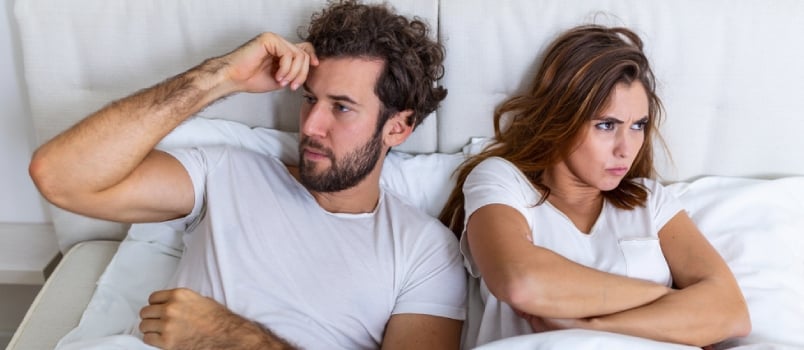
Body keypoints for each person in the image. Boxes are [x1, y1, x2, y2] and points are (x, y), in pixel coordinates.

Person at [29, 1, 466, 349]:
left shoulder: (424, 251)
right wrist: (219, 79)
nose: (311, 126)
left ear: (398, 126)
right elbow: (59, 176)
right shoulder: (225, 172)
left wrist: (231, 340)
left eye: (342, 107)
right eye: (310, 99)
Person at [439, 25, 751, 348]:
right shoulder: (502, 181)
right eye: (606, 125)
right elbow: (521, 281)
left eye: (638, 126)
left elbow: (731, 311)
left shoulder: (650, 201)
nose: (626, 148)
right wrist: (669, 299)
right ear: (563, 118)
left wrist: (590, 324)